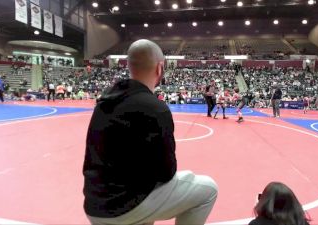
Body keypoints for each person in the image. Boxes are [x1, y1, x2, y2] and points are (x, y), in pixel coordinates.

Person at [83, 39, 218, 225]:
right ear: (159, 68)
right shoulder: (155, 108)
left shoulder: (104, 103)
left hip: (94, 204)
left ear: (129, 66)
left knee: (146, 189)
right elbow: (167, 173)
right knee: (208, 189)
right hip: (124, 207)